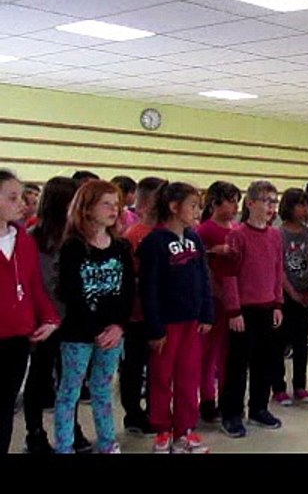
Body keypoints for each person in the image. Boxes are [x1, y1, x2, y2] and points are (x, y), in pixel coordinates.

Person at [54, 180, 135, 453]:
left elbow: (128, 291)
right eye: (106, 204)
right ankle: (64, 446)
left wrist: (119, 326)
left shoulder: (121, 247)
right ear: (87, 209)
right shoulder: (73, 247)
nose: (114, 210)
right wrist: (95, 330)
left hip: (113, 333)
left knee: (103, 390)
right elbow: (70, 293)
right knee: (70, 391)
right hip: (78, 333)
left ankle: (107, 441)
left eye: (117, 204)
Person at [139, 182, 214, 453]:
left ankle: (185, 429)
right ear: (173, 207)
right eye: (192, 206)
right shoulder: (154, 242)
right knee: (161, 377)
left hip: (191, 323)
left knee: (188, 376)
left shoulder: (195, 240)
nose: (197, 211)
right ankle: (162, 429)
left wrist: (206, 313)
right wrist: (155, 328)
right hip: (166, 325)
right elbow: (148, 288)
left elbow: (204, 279)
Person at [22, 176, 89, 454]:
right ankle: (34, 432)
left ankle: (71, 427)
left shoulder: (77, 237)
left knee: (70, 379)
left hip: (72, 319)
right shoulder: (31, 238)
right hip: (43, 320)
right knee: (39, 378)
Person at [219, 181, 285, 438]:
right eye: (266, 201)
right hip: (244, 311)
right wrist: (234, 310)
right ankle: (231, 413)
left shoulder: (275, 236)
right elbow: (229, 275)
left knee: (264, 362)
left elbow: (278, 271)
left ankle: (258, 407)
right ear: (250, 203)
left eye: (274, 201)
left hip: (268, 308)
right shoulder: (237, 235)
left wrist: (278, 303)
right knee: (238, 365)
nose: (271, 207)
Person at [0, 169, 59, 454]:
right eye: (12, 197)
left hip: (17, 338)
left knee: (5, 405)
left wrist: (50, 318)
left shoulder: (23, 238)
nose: (22, 204)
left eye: (22, 197)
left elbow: (34, 283)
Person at [119, 176, 166, 437]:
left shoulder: (166, 233)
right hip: (138, 315)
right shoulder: (133, 235)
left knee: (158, 368)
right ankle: (134, 414)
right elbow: (130, 278)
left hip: (162, 313)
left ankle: (155, 410)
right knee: (134, 367)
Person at [196, 181, 241, 423]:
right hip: (213, 299)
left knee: (228, 353)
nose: (235, 208)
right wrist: (213, 251)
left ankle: (226, 397)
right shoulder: (204, 230)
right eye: (231, 202)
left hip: (233, 301)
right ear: (215, 203)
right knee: (208, 352)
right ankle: (206, 398)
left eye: (237, 202)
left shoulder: (237, 230)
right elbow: (200, 265)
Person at [271, 189, 308, 405]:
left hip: (306, 294)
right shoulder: (278, 234)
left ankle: (300, 385)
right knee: (279, 342)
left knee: (301, 341)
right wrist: (292, 293)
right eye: (300, 205)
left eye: (307, 205)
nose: (305, 210)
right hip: (286, 296)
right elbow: (279, 268)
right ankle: (278, 387)